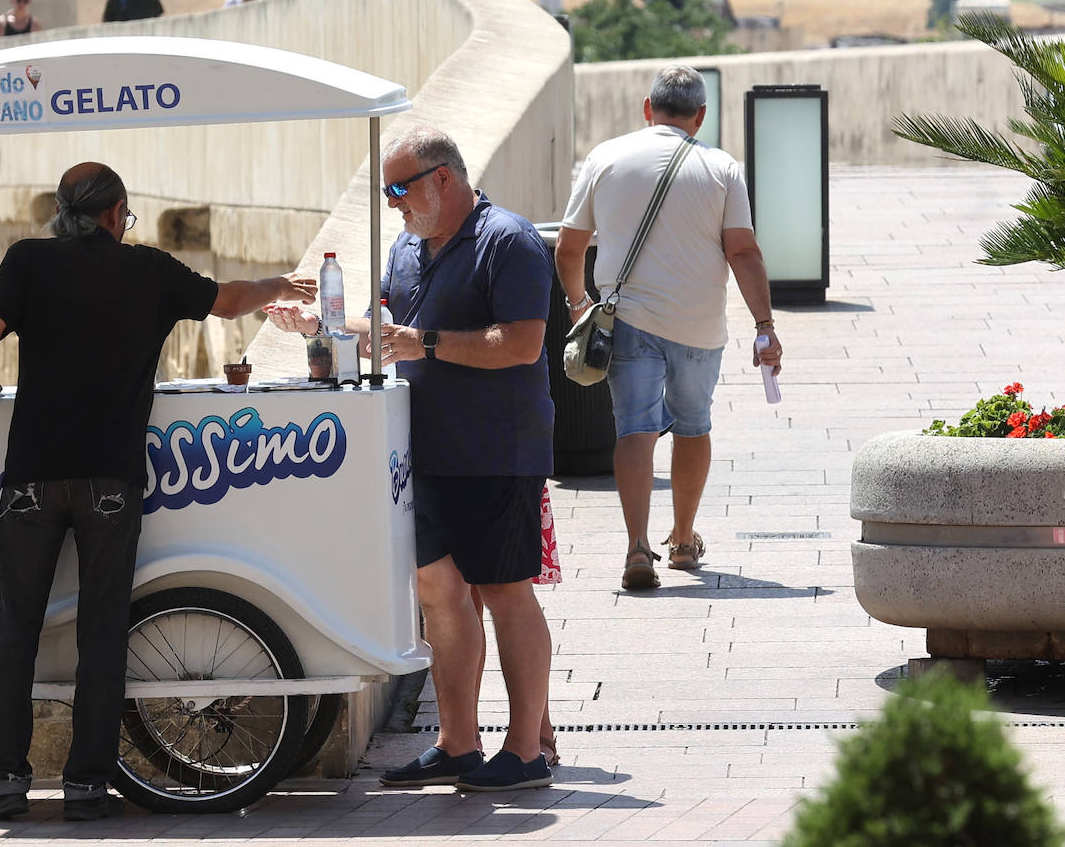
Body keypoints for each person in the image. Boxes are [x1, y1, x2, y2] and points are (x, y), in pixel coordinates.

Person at [0, 161, 316, 822]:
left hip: (33, 478)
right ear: (114, 211)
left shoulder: (28, 260)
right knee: (102, 637)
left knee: (14, 632)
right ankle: (88, 789)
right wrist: (277, 283)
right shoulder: (149, 272)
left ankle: (5, 783)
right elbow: (230, 300)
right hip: (110, 482)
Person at [267, 126, 556, 792]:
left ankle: (525, 751)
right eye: (386, 190)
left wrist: (422, 344)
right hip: (421, 450)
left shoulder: (507, 241)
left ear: (443, 179)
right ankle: (457, 743)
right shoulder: (405, 246)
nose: (393, 202)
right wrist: (320, 326)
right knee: (439, 593)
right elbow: (389, 334)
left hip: (495, 450)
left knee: (506, 591)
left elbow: (519, 344)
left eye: (400, 188)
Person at [555, 64, 783, 591]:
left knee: (634, 428)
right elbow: (743, 251)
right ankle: (682, 539)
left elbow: (570, 247)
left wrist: (576, 303)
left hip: (626, 318)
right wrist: (764, 325)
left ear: (646, 107)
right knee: (692, 425)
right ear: (700, 116)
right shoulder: (722, 168)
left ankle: (638, 547)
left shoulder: (605, 158)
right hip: (698, 324)